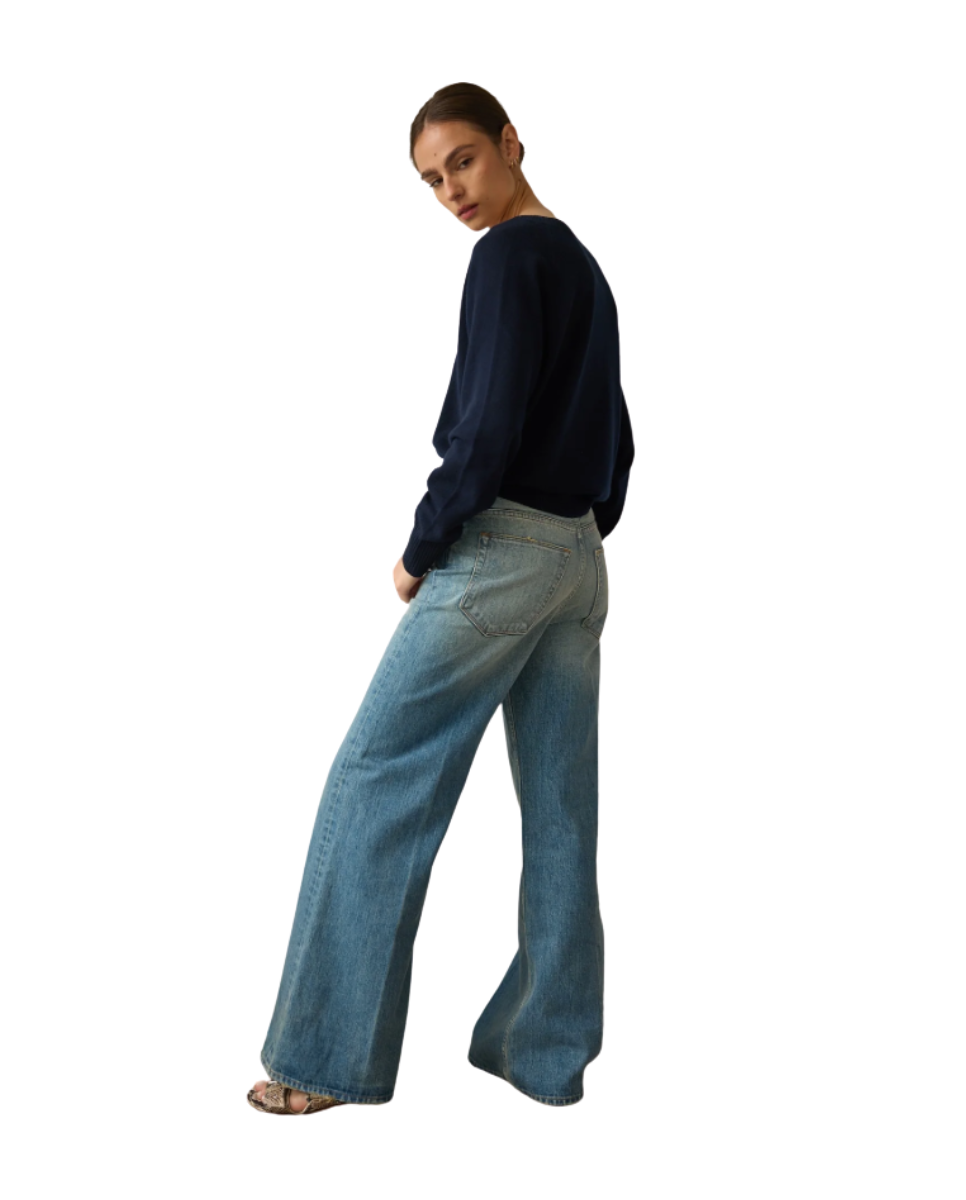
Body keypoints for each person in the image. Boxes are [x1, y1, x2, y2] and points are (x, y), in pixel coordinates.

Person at [248, 82, 635, 1115]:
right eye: (431, 180)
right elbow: (621, 437)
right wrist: (574, 536)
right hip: (576, 561)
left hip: (499, 551)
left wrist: (427, 547)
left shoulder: (507, 256)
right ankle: (544, 1057)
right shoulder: (581, 264)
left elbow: (488, 425)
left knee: (376, 777)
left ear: (511, 143)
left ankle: (319, 1061)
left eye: (462, 160)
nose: (451, 191)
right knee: (561, 811)